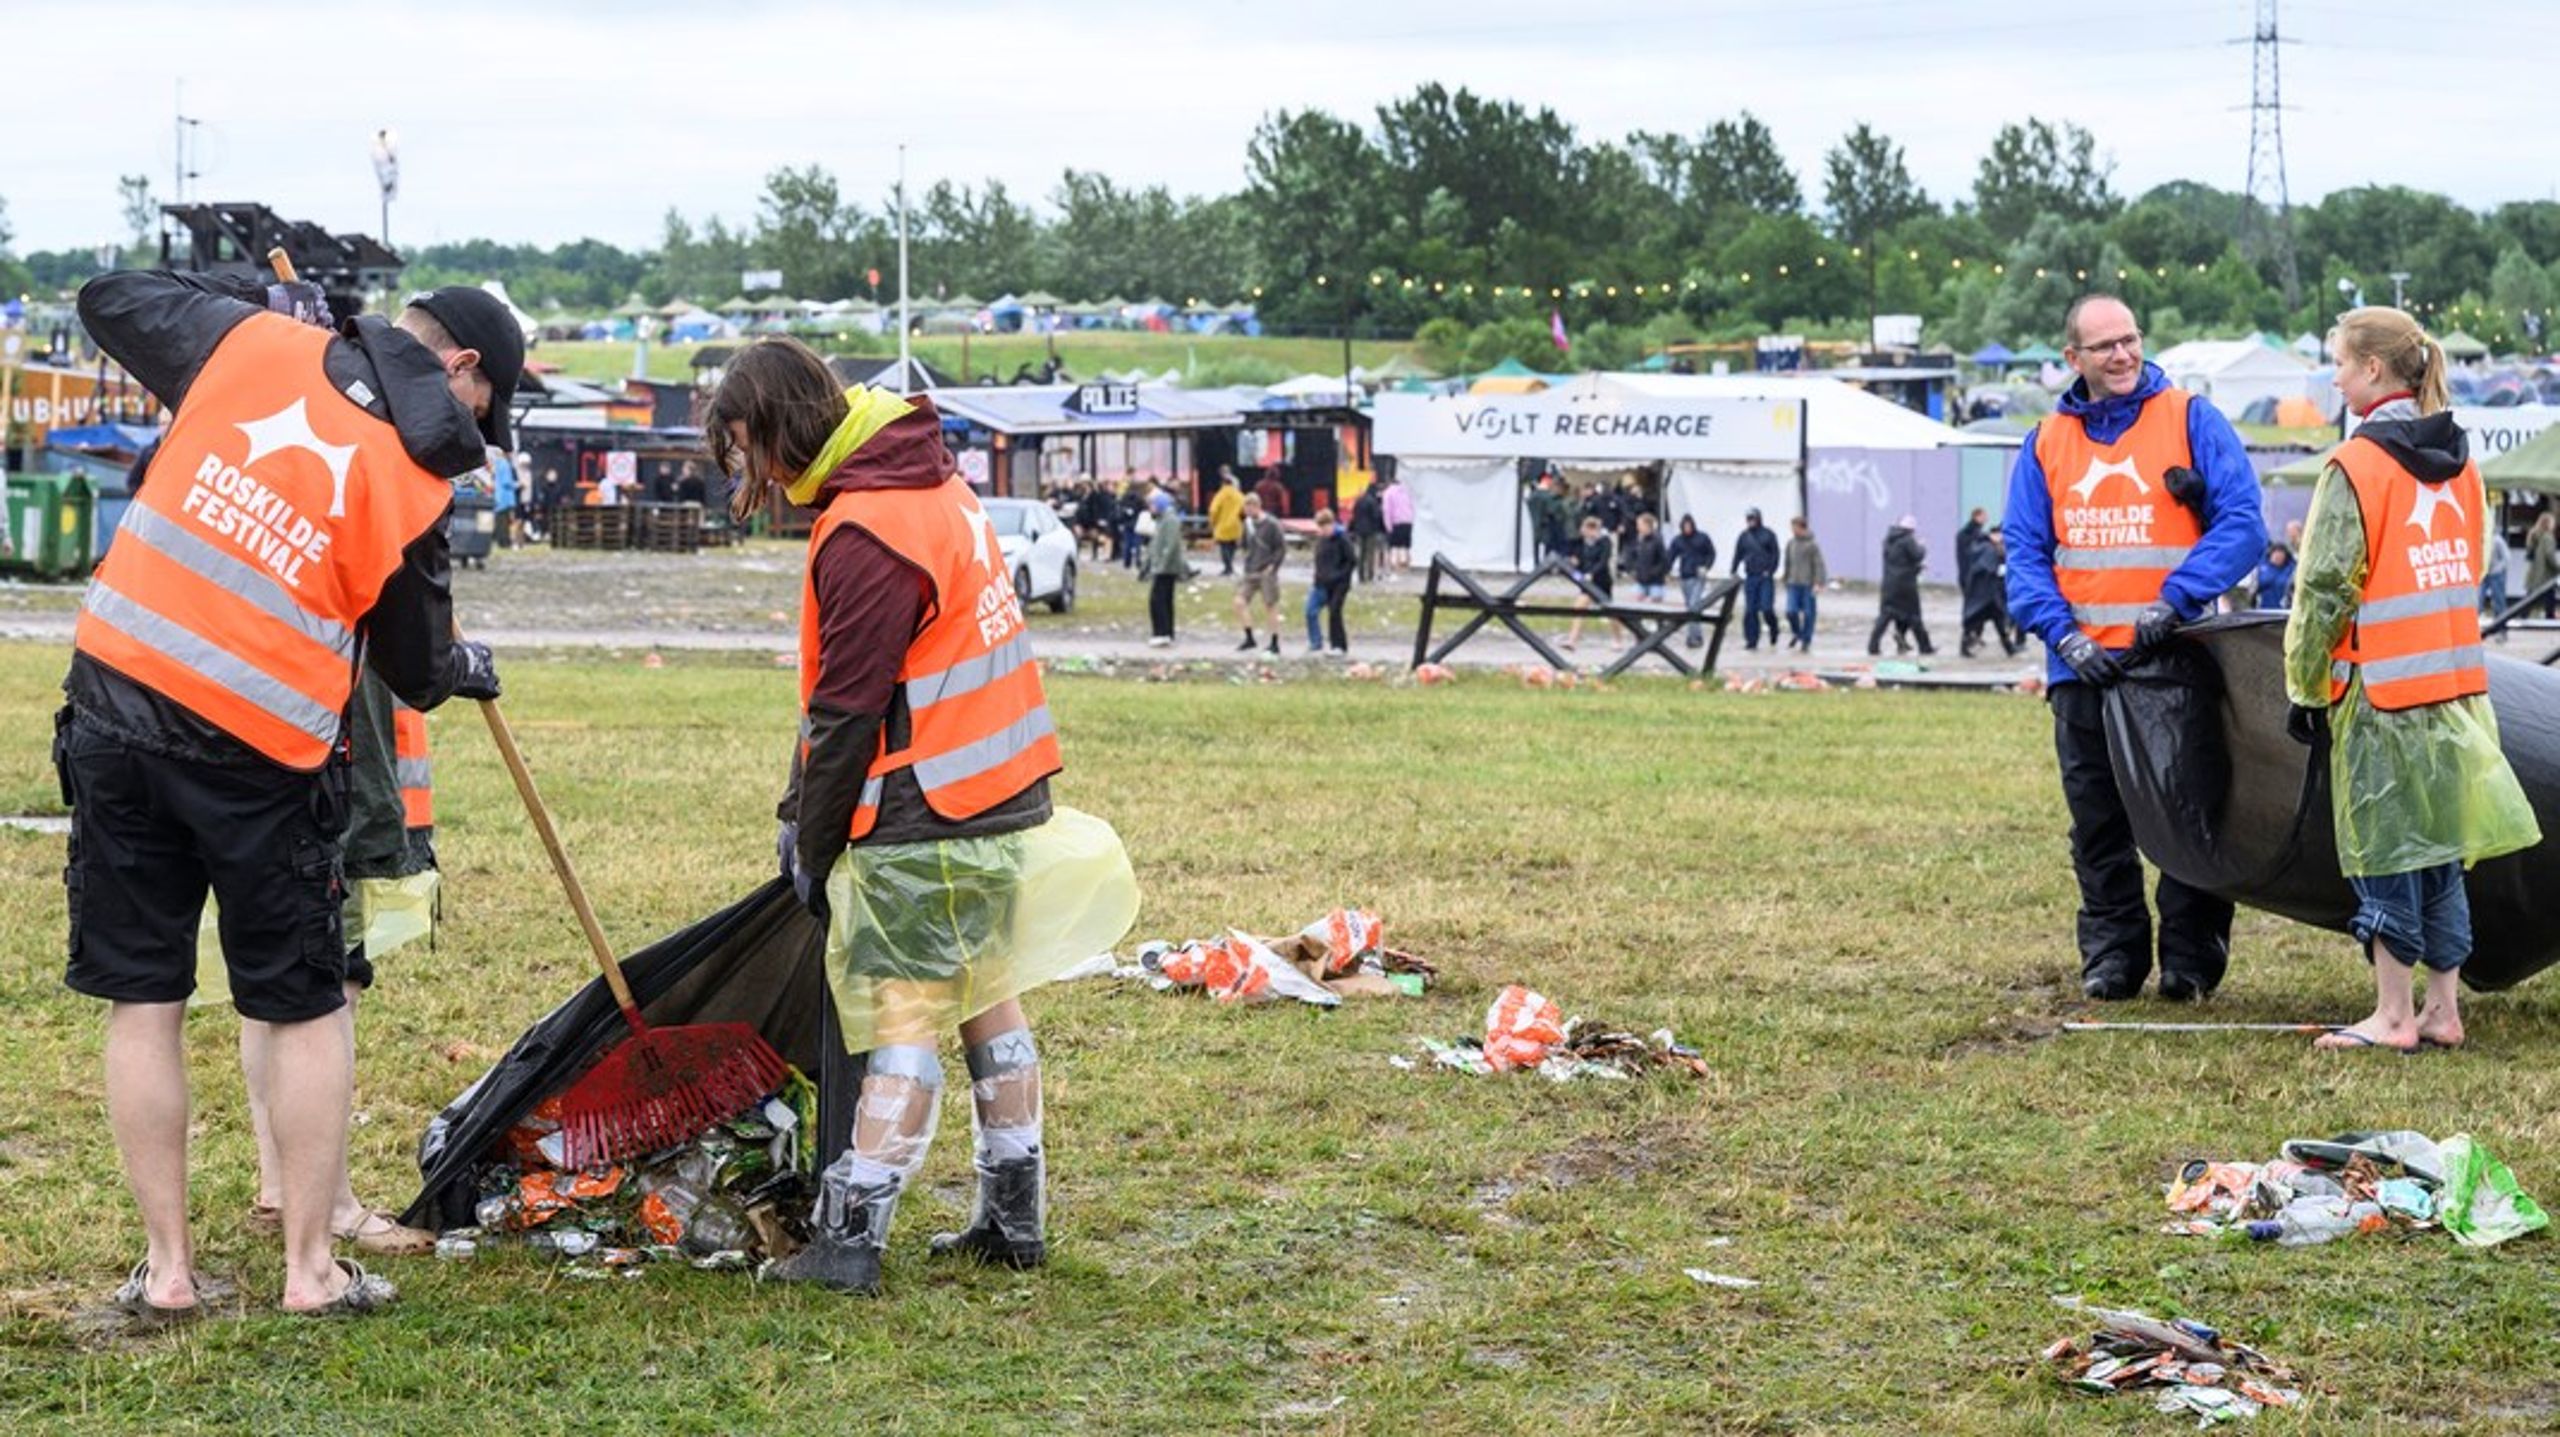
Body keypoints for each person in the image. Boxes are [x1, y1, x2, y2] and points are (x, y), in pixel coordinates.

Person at [63, 270, 511, 1318]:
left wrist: (252, 299)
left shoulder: (251, 347)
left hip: (118, 708)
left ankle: (167, 1271)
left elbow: (109, 296)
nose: (471, 429)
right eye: (482, 409)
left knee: (146, 998)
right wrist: (462, 664)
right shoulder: (415, 473)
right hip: (261, 757)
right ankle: (311, 1271)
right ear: (458, 367)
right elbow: (414, 665)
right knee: (302, 1002)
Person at [704, 336, 1134, 1294]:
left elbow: (848, 714)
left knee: (902, 1012)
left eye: (746, 448)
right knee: (986, 989)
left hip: (924, 802)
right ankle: (1012, 1217)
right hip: (1000, 782)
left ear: (779, 426)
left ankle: (850, 1238)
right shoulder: (934, 485)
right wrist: (796, 803)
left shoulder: (865, 530)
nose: (754, 476)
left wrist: (811, 844)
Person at [2283, 307, 2540, 1053]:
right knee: (2439, 846)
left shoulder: (2356, 465)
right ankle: (2441, 1009)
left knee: (2385, 849)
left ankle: (2391, 1017)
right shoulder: (2462, 464)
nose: (2333, 377)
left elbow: (2324, 589)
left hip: (2380, 691)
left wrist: (2304, 687)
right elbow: (2480, 562)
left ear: (2371, 371)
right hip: (2456, 687)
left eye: (2338, 363)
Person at [2005, 293, 2264, 1001]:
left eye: (2130, 340)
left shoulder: (2190, 419)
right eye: (2103, 346)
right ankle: (2114, 955)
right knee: (2098, 820)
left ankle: (2190, 959)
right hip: (2081, 664)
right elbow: (2024, 554)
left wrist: (2176, 597)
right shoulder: (2045, 442)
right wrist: (2061, 633)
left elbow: (2242, 523)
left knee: (2186, 813)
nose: (2121, 355)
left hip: (2174, 655)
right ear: (2073, 358)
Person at [1869, 514, 1935, 656]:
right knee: (1914, 617)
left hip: (1889, 585)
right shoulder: (1908, 540)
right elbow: (1917, 555)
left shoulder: (1888, 540)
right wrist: (1922, 546)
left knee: (1885, 616)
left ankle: (1873, 646)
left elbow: (1900, 562)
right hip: (1906, 586)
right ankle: (1925, 646)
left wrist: (1916, 568)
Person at [1232, 492, 1284, 655]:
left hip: (1266, 571)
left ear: (1257, 506)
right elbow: (1244, 544)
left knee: (1270, 606)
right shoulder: (1247, 524)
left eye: (1249, 507)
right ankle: (1249, 637)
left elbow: (1281, 547)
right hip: (1251, 570)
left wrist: (1273, 566)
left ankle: (1274, 641)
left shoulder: (1272, 524)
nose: (1247, 511)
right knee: (1239, 601)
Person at [1140, 490, 1192, 647]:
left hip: (1166, 567)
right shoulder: (1162, 519)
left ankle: (1161, 632)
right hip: (1162, 566)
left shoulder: (1169, 520)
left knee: (1158, 600)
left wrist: (1160, 565)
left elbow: (1170, 545)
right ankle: (1166, 632)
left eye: (1152, 505)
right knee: (1164, 599)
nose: (1150, 508)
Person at [1960, 525, 2020, 657]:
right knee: (1975, 622)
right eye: (1998, 535)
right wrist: (1999, 571)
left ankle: (2009, 648)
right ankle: (1965, 647)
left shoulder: (1986, 547)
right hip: (1984, 595)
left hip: (1989, 595)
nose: (2000, 538)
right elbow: (1986, 568)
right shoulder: (1987, 548)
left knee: (1997, 621)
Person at [1562, 514, 1616, 651]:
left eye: (1585, 530)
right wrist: (1575, 565)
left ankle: (1618, 639)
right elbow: (1581, 559)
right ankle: (1572, 640)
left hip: (1602, 581)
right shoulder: (1584, 542)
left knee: (1611, 612)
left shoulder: (1605, 541)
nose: (1583, 533)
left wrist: (1592, 573)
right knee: (1579, 607)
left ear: (1592, 529)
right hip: (1587, 583)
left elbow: (1603, 561)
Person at [1731, 507, 1781, 650]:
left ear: (1758, 519)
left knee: (1766, 608)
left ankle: (1773, 628)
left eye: (1753, 518)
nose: (1750, 521)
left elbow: (1775, 554)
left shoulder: (1768, 535)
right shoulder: (1744, 537)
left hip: (1765, 577)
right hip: (1751, 576)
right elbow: (1738, 555)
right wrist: (1733, 571)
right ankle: (1751, 640)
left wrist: (1770, 571)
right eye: (1748, 519)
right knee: (1750, 610)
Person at [1307, 506, 1354, 655]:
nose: (1323, 530)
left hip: (1340, 583)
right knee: (1313, 610)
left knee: (1335, 611)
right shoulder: (1322, 540)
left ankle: (1339, 645)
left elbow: (1351, 560)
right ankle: (1320, 642)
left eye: (1325, 526)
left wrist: (1339, 575)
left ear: (1331, 524)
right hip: (1324, 583)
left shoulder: (1342, 539)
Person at [1668, 515, 1718, 649]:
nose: (1687, 529)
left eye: (1689, 526)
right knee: (1690, 607)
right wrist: (1666, 571)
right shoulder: (1678, 541)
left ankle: (1693, 637)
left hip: (1698, 575)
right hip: (1685, 576)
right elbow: (1670, 556)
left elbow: (1711, 553)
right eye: (1685, 527)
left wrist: (1706, 566)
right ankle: (1697, 634)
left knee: (1693, 605)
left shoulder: (1702, 538)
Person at [1783, 516, 1827, 653]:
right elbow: (1787, 563)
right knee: (1791, 612)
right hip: (1793, 584)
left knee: (1809, 614)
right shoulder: (1791, 543)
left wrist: (1819, 582)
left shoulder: (1812, 545)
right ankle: (1797, 632)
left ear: (1802, 528)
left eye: (1795, 527)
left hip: (1808, 584)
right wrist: (1785, 578)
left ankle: (1806, 640)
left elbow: (1819, 565)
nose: (1793, 530)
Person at [1206, 469, 1245, 576]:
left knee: (1224, 547)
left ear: (1223, 483)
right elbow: (1244, 510)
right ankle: (1230, 565)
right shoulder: (1239, 495)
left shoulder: (1220, 495)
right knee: (1232, 546)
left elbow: (1213, 510)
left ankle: (1228, 568)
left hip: (1222, 525)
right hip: (1236, 525)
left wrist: (1212, 522)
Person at [1529, 471, 1571, 566]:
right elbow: (1554, 511)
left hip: (1541, 528)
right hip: (1548, 529)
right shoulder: (1551, 498)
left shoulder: (1536, 495)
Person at [1626, 512, 1670, 602]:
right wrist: (1633, 569)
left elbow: (1664, 560)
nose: (1637, 527)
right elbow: (1632, 555)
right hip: (1641, 580)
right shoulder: (1638, 540)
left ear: (1647, 525)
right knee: (1636, 602)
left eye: (1639, 525)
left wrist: (1654, 572)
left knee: (1654, 604)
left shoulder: (1657, 540)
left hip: (1655, 581)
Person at [1351, 481, 1387, 585]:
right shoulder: (1372, 502)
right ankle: (1370, 575)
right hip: (1371, 531)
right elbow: (1377, 516)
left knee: (1361, 553)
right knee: (1370, 554)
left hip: (1359, 530)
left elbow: (1354, 515)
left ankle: (1361, 575)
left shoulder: (1358, 501)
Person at [2527, 510, 2559, 619]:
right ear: (2548, 524)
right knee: (2550, 598)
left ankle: (2522, 616)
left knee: (2530, 598)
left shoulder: (2533, 535)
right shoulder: (2548, 538)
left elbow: (2529, 553)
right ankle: (2550, 619)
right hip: (2546, 574)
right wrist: (2558, 567)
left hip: (2534, 572)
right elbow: (2550, 555)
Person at [1380, 473, 1416, 569]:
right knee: (1405, 545)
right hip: (1408, 521)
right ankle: (1404, 562)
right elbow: (1411, 506)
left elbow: (1386, 510)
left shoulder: (1388, 493)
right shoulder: (1406, 491)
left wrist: (1388, 526)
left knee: (1394, 545)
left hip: (1396, 522)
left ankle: (1395, 564)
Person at [2480, 522, 2512, 623]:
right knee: (2477, 599)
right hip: (2483, 574)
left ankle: (2501, 628)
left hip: (2496, 574)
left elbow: (2506, 557)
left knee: (2498, 600)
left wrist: (2499, 569)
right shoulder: (2480, 540)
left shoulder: (2497, 540)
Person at [2253, 541, 2297, 610]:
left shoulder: (2291, 569)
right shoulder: (2261, 567)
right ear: (2271, 554)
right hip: (2262, 609)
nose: (2277, 557)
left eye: (2281, 555)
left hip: (2283, 610)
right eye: (2275, 554)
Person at [1954, 507, 1989, 582]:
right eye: (1984, 516)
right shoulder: (1969, 532)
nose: (1986, 519)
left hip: (1967, 571)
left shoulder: (1974, 531)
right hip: (1968, 571)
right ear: (1976, 517)